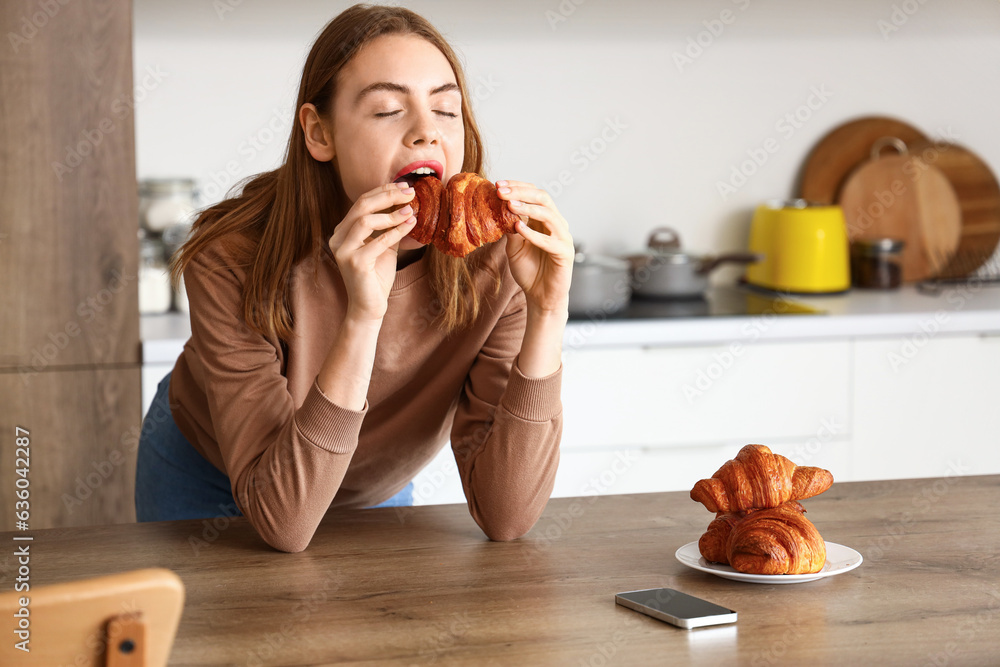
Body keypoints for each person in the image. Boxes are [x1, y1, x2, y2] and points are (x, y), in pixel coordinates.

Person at [134, 4, 574, 553]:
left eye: (446, 109)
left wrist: (548, 312)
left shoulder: (498, 262)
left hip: (371, 483)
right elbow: (283, 521)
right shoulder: (231, 257)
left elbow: (507, 519)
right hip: (204, 475)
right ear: (320, 133)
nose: (425, 133)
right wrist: (364, 314)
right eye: (388, 110)